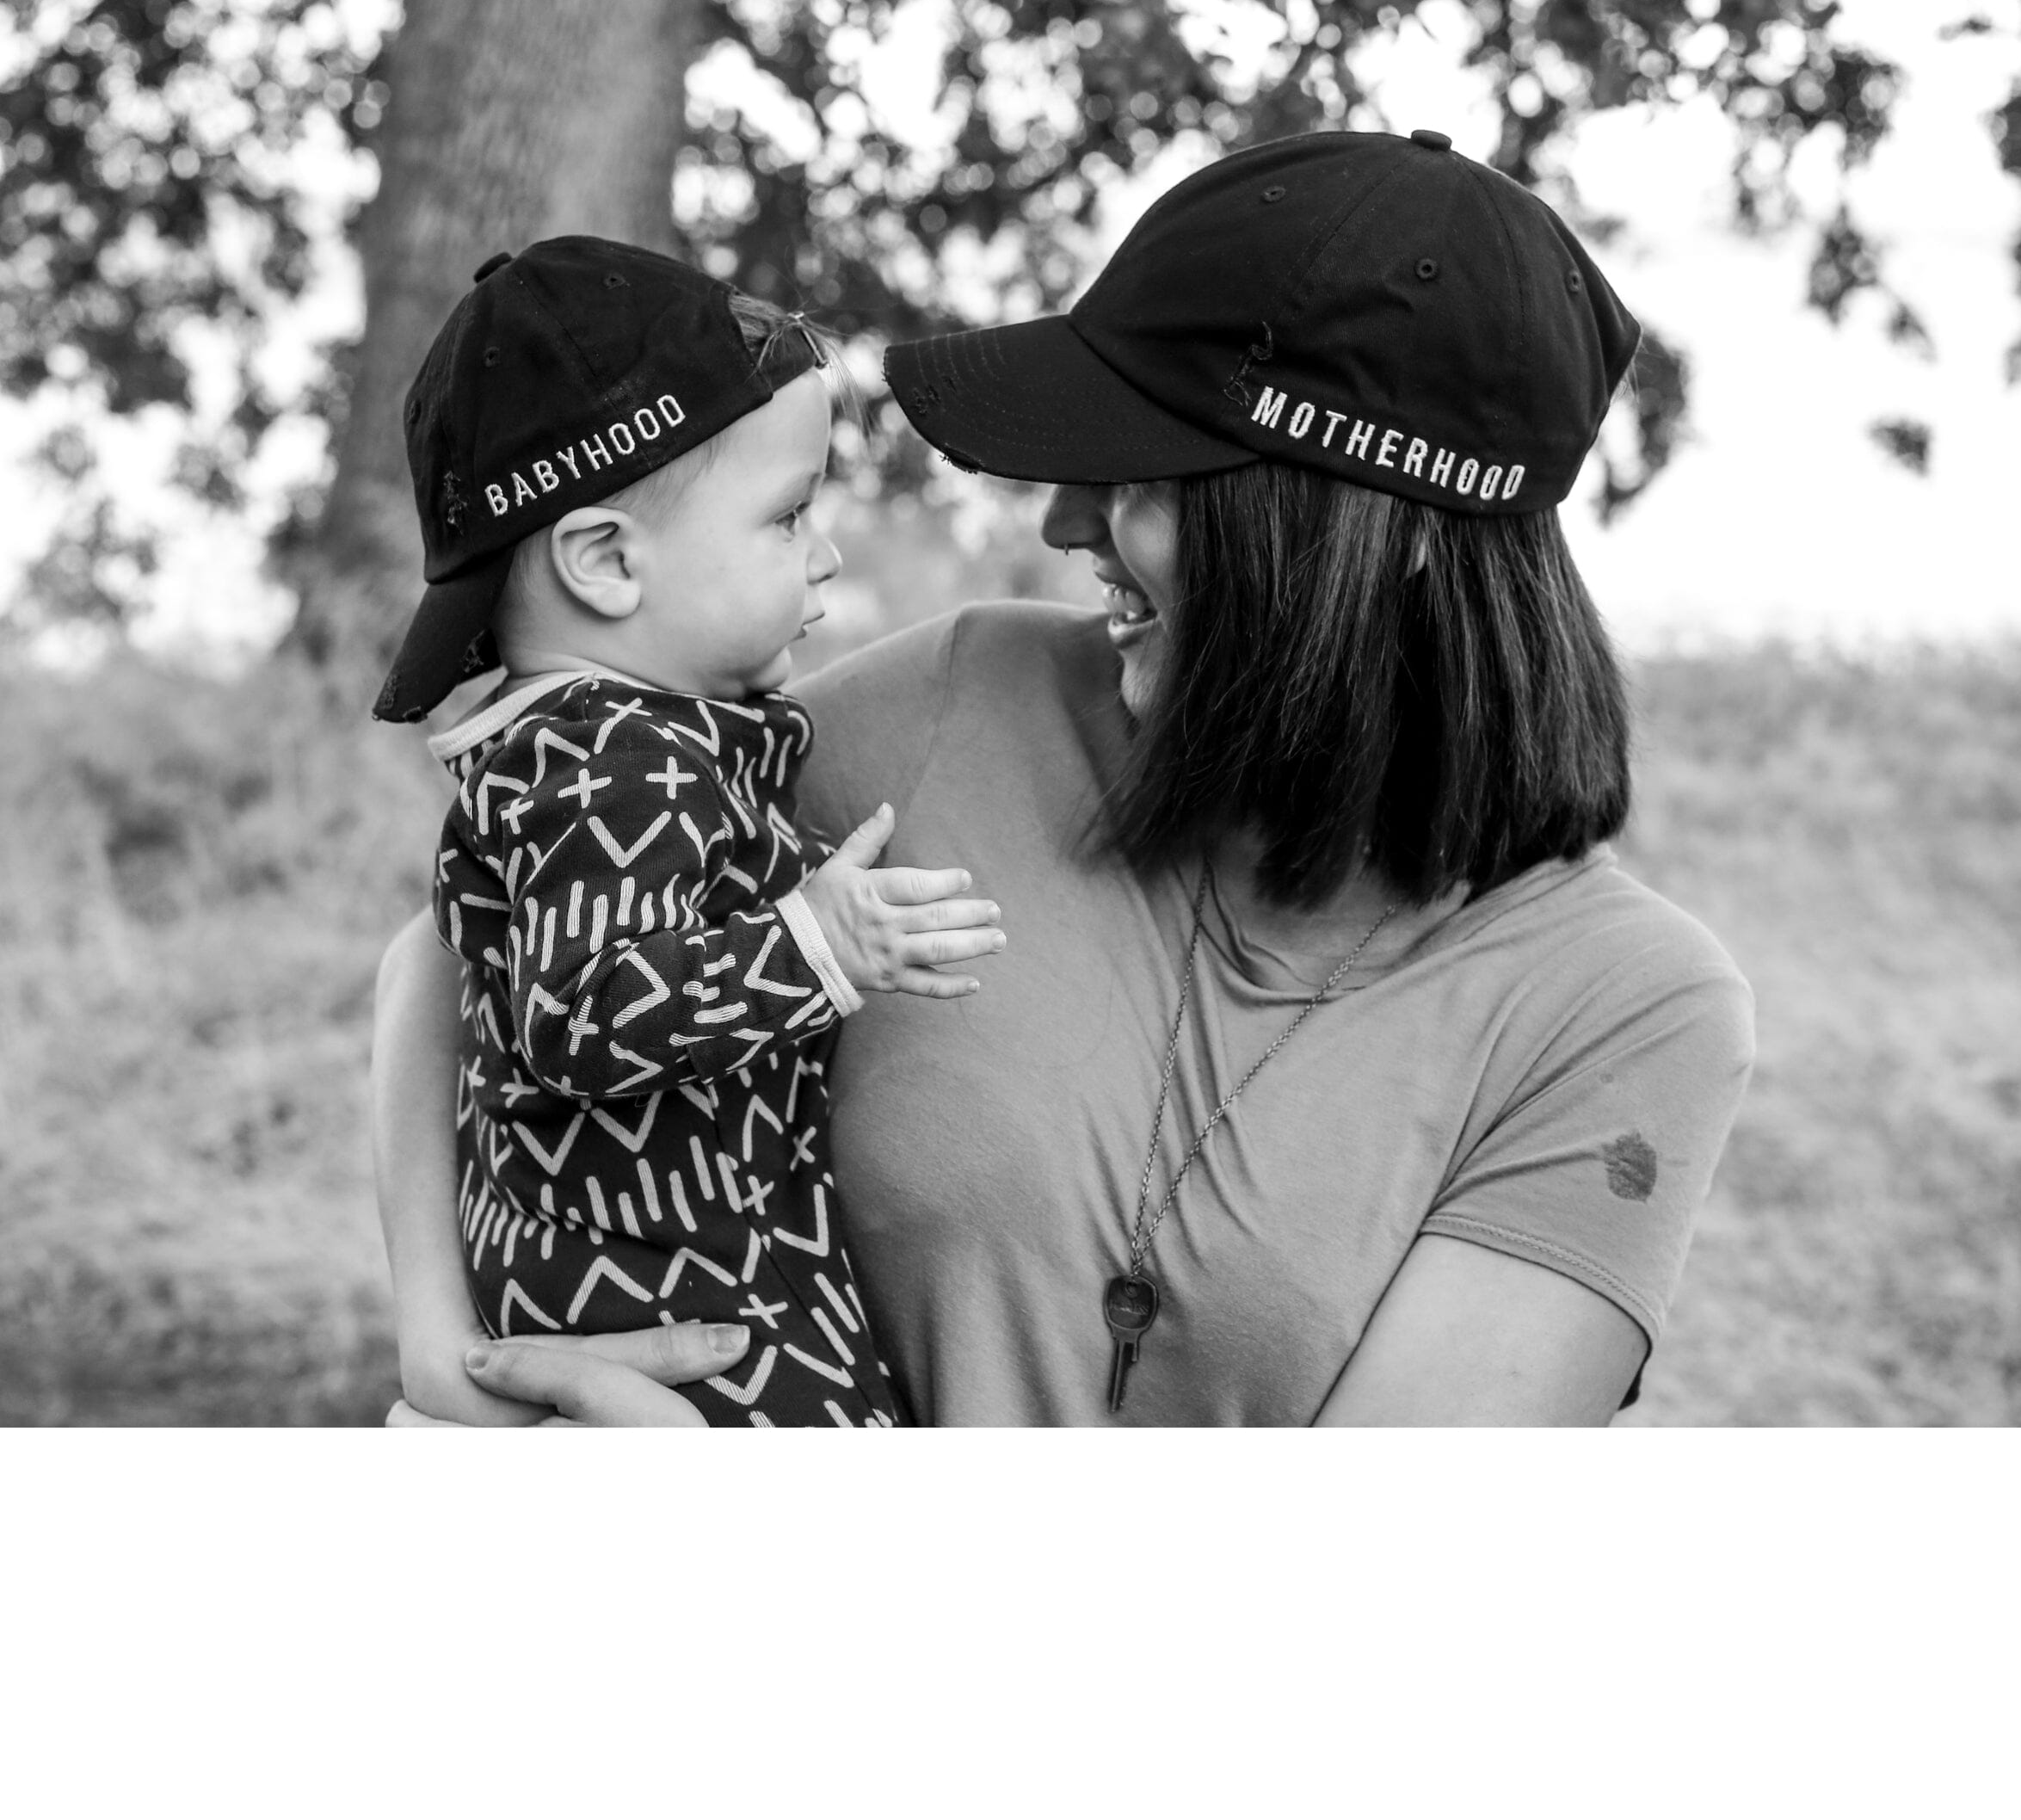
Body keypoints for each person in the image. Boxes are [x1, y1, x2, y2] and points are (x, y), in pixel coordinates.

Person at [373, 127, 1755, 1426]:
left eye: (1141, 467)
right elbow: (469, 944)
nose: (1060, 517)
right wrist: (450, 1349)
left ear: (1364, 530)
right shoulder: (962, 697)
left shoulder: (1621, 1009)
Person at [370, 236, 1004, 1426]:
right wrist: (812, 944)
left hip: (667, 1279)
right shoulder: (614, 753)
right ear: (607, 559)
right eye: (786, 515)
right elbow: (577, 1012)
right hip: (678, 1306)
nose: (821, 557)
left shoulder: (600, 739)